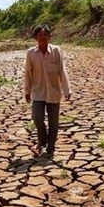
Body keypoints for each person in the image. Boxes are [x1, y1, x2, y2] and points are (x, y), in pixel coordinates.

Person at [24, 24, 72, 157]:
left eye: (45, 35)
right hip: (38, 90)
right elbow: (28, 72)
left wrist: (67, 90)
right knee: (37, 117)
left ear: (49, 37)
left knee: (53, 121)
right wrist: (27, 90)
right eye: (40, 35)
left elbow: (62, 70)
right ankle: (42, 140)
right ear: (35, 38)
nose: (43, 37)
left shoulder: (56, 51)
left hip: (53, 91)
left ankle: (51, 146)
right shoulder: (31, 53)